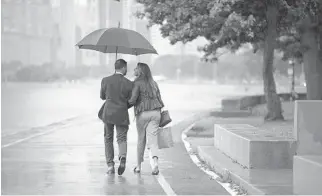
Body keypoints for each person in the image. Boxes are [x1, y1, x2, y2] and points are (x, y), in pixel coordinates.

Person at [128, 62, 164, 175]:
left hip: (142, 113)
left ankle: (138, 167)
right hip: (156, 113)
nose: (134, 70)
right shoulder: (154, 83)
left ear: (140, 71)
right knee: (152, 140)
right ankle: (155, 164)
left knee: (141, 140)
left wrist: (123, 104)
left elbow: (133, 100)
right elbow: (159, 98)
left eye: (136, 68)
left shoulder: (137, 83)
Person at [100, 59, 133, 175]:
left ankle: (110, 165)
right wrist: (124, 105)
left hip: (108, 113)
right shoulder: (129, 83)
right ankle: (122, 156)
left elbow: (102, 96)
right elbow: (132, 100)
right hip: (122, 113)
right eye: (126, 68)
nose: (127, 70)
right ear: (123, 68)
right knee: (122, 137)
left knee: (108, 138)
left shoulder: (105, 80)